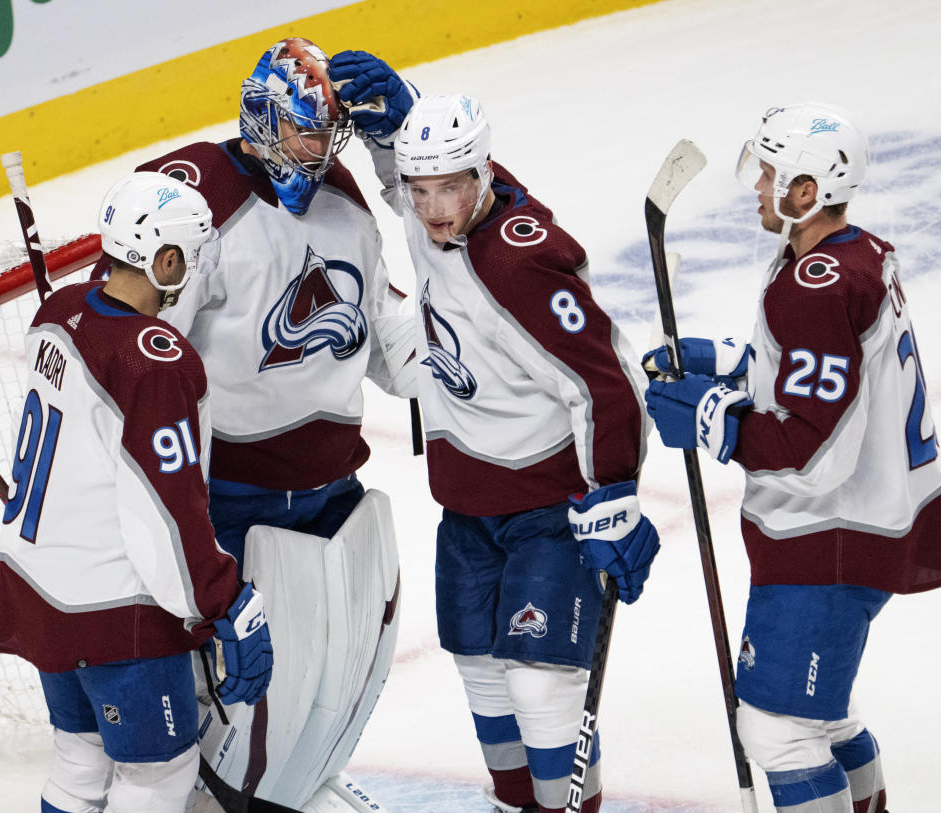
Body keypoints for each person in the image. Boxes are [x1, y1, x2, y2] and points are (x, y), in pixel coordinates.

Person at [102, 38, 414, 813]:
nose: (320, 147)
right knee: (237, 711)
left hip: (336, 494)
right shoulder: (195, 199)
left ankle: (292, 789)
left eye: (328, 132)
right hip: (233, 503)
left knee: (326, 691)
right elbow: (132, 352)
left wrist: (408, 167)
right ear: (262, 115)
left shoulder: (342, 197)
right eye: (307, 129)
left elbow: (393, 347)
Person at [334, 73, 658, 812]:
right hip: (468, 510)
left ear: (484, 174)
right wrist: (403, 122)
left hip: (548, 512)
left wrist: (615, 495)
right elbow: (405, 181)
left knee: (543, 689)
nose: (433, 211)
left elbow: (606, 383)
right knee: (482, 675)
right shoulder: (432, 211)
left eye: (450, 189)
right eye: (420, 193)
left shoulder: (520, 264)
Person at [644, 103, 941, 812]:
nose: (757, 186)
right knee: (823, 719)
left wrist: (714, 421)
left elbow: (813, 452)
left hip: (829, 537)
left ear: (808, 190)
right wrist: (725, 366)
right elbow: (826, 380)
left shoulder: (819, 286)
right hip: (864, 524)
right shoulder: (852, 256)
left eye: (771, 173)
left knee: (779, 731)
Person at [0, 171, 273, 813]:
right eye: (195, 257)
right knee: (157, 778)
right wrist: (224, 601)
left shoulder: (58, 310)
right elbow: (166, 513)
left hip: (38, 590)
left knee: (80, 762)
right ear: (166, 259)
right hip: (114, 610)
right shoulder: (157, 359)